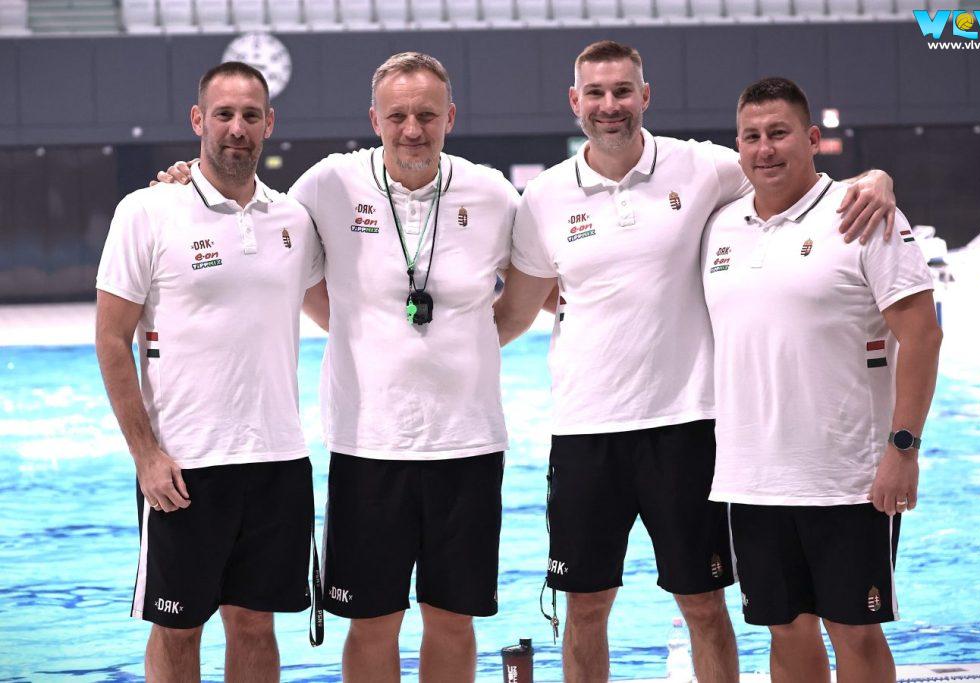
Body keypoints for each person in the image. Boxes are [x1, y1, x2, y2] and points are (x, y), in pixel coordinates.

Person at [493, 40, 897, 683]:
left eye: (623, 91)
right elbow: (518, 309)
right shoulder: (543, 197)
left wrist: (874, 178)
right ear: (574, 101)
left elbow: (794, 174)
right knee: (585, 606)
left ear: (645, 96)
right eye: (595, 93)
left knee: (704, 605)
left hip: (688, 426)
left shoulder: (704, 167)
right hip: (585, 429)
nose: (609, 105)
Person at [156, 52, 518, 683]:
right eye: (397, 116)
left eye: (427, 115)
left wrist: (473, 341)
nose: (412, 129)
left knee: (453, 620)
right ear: (374, 120)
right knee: (372, 621)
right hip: (365, 446)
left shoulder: (492, 194)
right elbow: (261, 228)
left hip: (469, 444)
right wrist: (185, 181)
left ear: (451, 118)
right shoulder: (329, 184)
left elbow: (532, 287)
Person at [701, 77, 941, 682]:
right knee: (785, 629)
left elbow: (922, 335)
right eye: (751, 136)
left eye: (779, 133)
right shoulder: (720, 227)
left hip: (848, 478)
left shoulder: (863, 214)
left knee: (854, 630)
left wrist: (903, 451)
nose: (765, 149)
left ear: (811, 139)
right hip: (752, 477)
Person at [96, 62, 324, 682]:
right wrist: (146, 455)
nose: (237, 128)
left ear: (270, 124)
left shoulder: (293, 220)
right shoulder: (147, 211)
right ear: (198, 120)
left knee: (255, 624)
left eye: (250, 115)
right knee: (178, 628)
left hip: (278, 459)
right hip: (185, 462)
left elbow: (345, 309)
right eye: (223, 114)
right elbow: (111, 339)